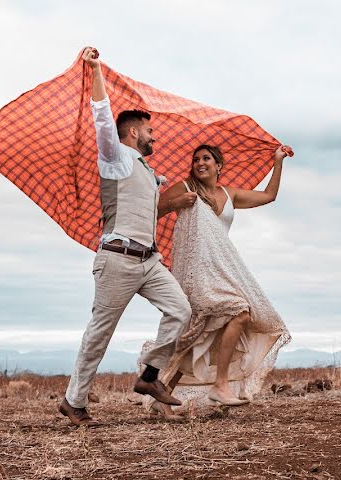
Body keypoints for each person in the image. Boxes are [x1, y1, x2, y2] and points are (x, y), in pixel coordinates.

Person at [58, 47, 195, 427]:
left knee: (180, 309)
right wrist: (96, 69)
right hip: (117, 259)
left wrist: (175, 200)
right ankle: (74, 401)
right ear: (133, 133)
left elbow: (145, 212)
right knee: (100, 333)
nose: (155, 137)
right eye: (150, 131)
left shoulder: (148, 172)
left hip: (148, 261)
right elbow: (102, 116)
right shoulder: (115, 155)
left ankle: (149, 378)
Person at [148, 143, 292, 418]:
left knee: (202, 330)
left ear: (218, 165)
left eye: (206, 159)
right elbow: (151, 212)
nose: (200, 163)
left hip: (219, 270)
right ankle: (221, 385)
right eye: (196, 159)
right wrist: (177, 203)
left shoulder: (229, 194)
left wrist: (278, 160)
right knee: (239, 311)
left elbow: (269, 195)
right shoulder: (184, 187)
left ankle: (163, 392)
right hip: (195, 273)